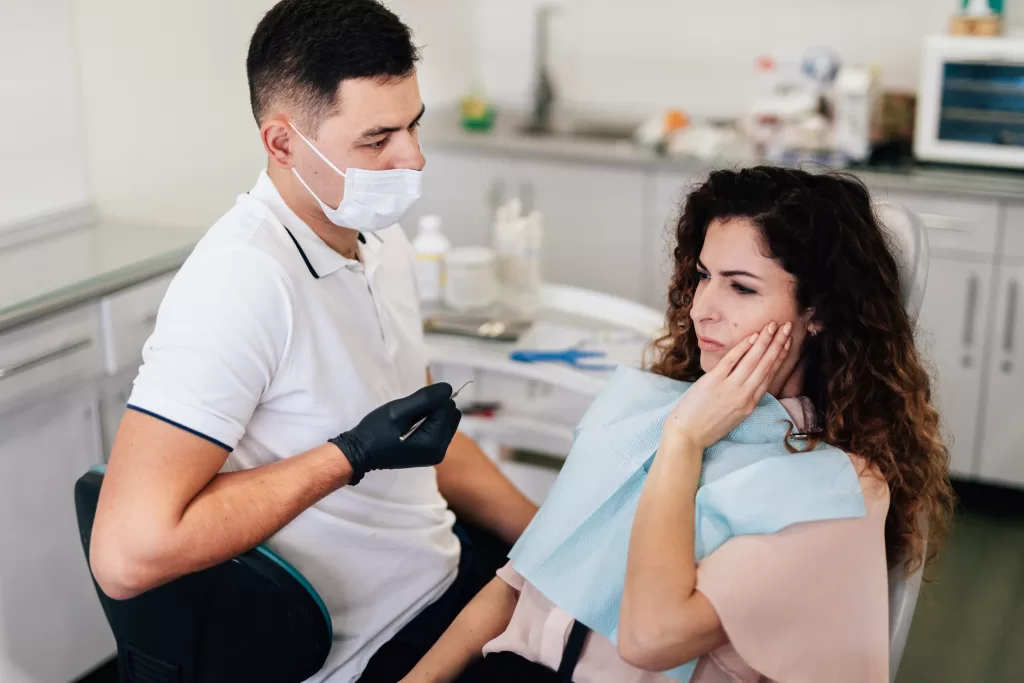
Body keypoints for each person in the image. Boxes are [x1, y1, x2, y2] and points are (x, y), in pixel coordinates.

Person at [88, 1, 537, 681]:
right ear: (283, 143)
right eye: (377, 138)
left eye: (414, 125)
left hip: (440, 575)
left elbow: (420, 439)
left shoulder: (382, 239)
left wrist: (544, 535)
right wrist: (347, 455)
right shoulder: (241, 282)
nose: (412, 157)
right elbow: (125, 555)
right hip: (360, 649)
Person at [399, 167, 956, 683]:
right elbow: (518, 582)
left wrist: (683, 443)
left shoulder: (835, 489)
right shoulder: (646, 409)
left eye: (741, 287)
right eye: (703, 276)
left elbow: (650, 638)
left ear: (820, 311)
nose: (701, 308)